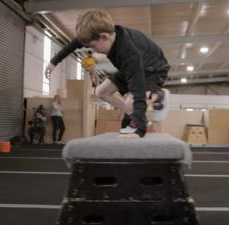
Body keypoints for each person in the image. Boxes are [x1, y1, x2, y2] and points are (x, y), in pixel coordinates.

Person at [45, 9, 170, 138]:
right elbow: (73, 44)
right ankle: (134, 116)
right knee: (100, 92)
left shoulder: (129, 53)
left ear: (104, 36)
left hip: (153, 69)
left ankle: (159, 96)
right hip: (130, 68)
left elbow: (137, 89)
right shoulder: (100, 34)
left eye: (94, 46)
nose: (94, 51)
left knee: (130, 102)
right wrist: (54, 61)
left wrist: (140, 130)